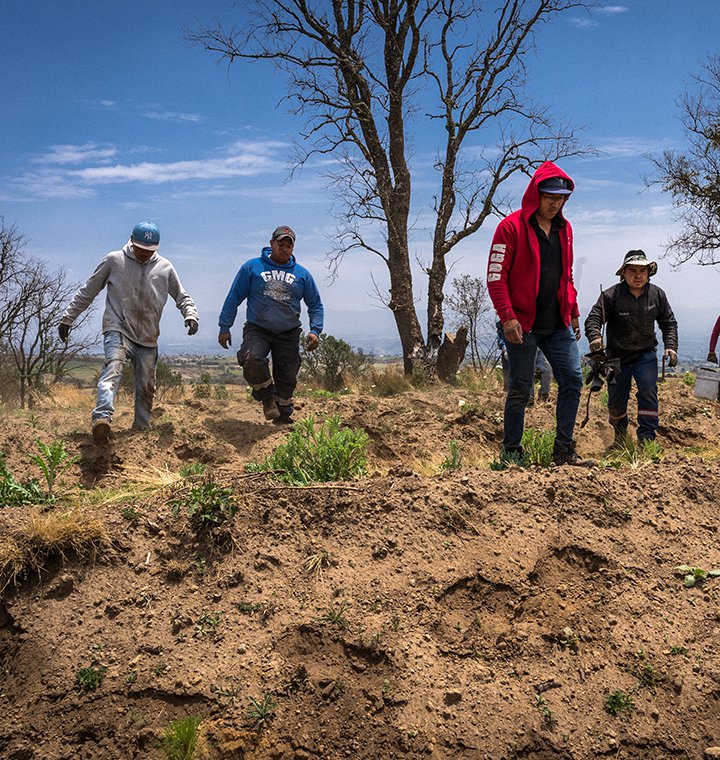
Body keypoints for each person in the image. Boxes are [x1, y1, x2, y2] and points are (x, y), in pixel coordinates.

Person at [59, 221, 199, 443]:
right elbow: (89, 289)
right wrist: (68, 317)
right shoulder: (114, 260)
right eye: (141, 249)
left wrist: (190, 315)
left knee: (146, 385)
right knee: (112, 367)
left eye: (149, 251)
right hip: (119, 327)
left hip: (148, 336)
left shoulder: (165, 268)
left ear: (157, 249)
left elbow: (182, 296)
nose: (144, 255)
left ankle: (141, 430)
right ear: (132, 242)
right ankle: (102, 419)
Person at [486, 161, 586, 466]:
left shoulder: (565, 229)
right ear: (535, 194)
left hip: (557, 323)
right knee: (520, 388)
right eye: (550, 197)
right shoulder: (510, 228)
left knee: (573, 380)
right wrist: (507, 316)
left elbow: (565, 275)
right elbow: (495, 276)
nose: (555, 204)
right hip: (522, 324)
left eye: (561, 198)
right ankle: (512, 453)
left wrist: (573, 310)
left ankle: (563, 451)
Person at [218, 225, 324, 424]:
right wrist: (225, 326)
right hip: (258, 329)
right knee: (252, 359)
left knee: (288, 373)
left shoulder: (302, 274)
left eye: (288, 245)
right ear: (271, 243)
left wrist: (315, 330)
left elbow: (315, 304)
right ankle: (267, 397)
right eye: (280, 243)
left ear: (293, 248)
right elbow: (234, 297)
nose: (284, 248)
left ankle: (283, 416)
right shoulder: (252, 267)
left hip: (289, 331)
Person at [584, 250, 678, 446]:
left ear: (648, 273)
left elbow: (668, 322)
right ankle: (620, 434)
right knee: (616, 401)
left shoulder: (657, 295)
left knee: (647, 390)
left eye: (642, 271)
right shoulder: (610, 296)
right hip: (616, 357)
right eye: (632, 270)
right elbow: (593, 319)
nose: (638, 275)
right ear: (623, 273)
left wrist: (671, 346)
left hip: (645, 353)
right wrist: (594, 337)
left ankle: (647, 438)